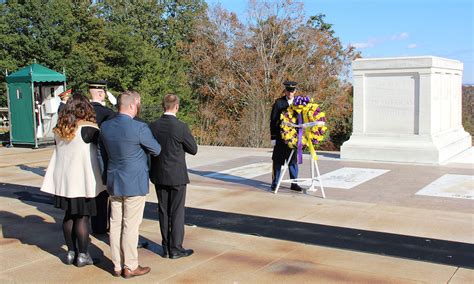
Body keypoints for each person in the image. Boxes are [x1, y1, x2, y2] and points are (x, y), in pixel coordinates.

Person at [100, 90, 161, 278]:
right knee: (130, 226)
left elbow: (102, 155)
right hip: (134, 182)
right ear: (133, 105)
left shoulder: (106, 127)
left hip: (114, 180)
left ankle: (117, 265)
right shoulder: (139, 128)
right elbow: (156, 149)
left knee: (115, 223)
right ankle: (130, 265)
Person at [40, 92, 105, 267]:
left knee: (69, 217)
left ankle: (70, 252)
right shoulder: (90, 129)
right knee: (83, 219)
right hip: (83, 181)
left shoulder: (59, 129)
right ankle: (83, 255)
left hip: (64, 181)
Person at [150, 94, 198, 259]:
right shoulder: (181, 127)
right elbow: (193, 149)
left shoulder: (153, 126)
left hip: (159, 174)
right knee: (177, 212)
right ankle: (176, 248)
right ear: (176, 107)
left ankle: (166, 248)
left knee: (163, 211)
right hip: (176, 175)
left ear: (163, 106)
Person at [88, 80, 115, 235]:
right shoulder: (107, 113)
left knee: (92, 193)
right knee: (104, 193)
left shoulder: (81, 111)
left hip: (85, 156)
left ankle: (95, 225)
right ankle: (104, 225)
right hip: (101, 155)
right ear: (101, 93)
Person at [269, 81, 303, 192]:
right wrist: (273, 137)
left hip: (293, 138)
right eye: (288, 90)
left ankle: (294, 183)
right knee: (278, 161)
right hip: (280, 137)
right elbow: (273, 120)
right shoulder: (279, 103)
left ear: (295, 91)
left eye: (292, 91)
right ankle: (275, 183)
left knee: (292, 161)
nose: (290, 93)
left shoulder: (299, 103)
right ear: (285, 91)